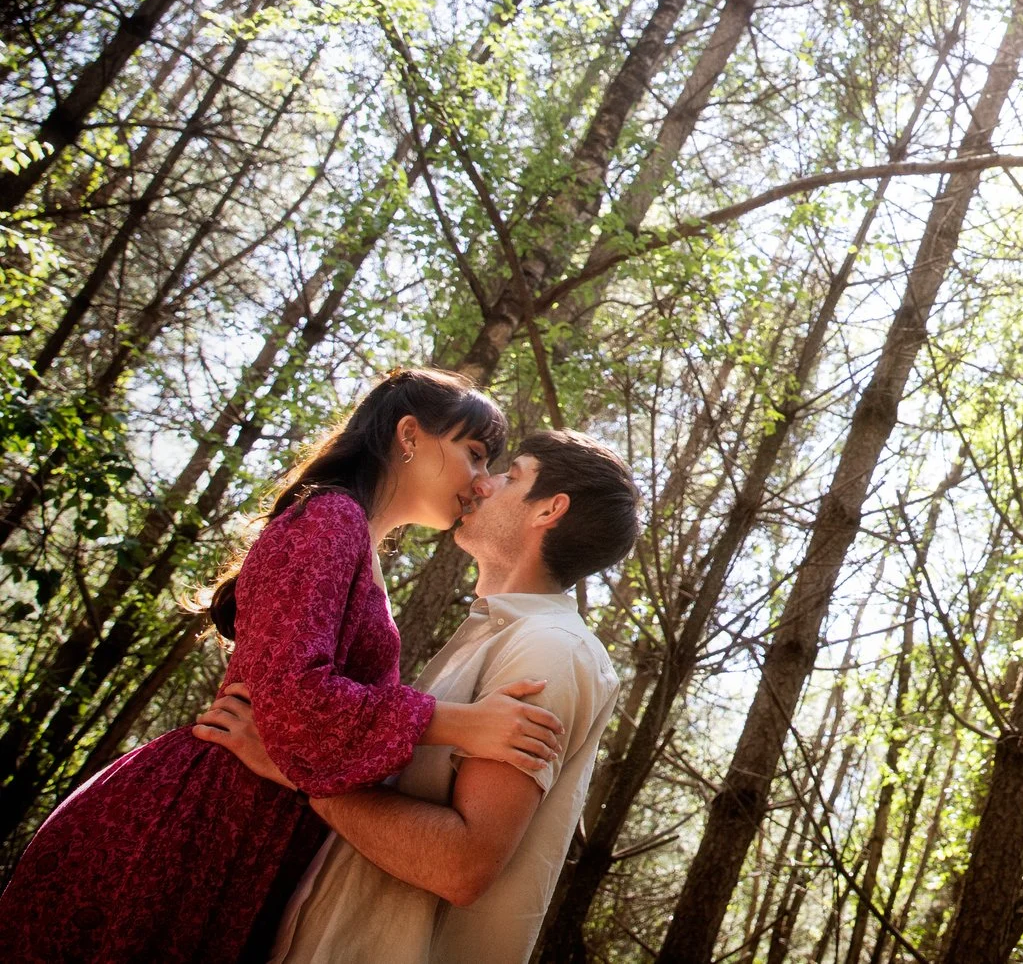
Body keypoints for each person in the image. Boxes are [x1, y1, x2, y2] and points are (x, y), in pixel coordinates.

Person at [0, 369, 568, 964]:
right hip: (190, 828)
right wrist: (461, 725)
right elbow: (293, 699)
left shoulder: (351, 538)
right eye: (474, 456)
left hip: (239, 835)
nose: (481, 483)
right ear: (409, 436)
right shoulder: (329, 519)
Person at [196, 429, 639, 964]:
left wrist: (295, 771)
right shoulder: (494, 637)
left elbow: (461, 864)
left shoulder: (551, 651)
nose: (482, 484)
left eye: (510, 475)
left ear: (549, 509)